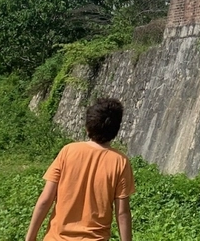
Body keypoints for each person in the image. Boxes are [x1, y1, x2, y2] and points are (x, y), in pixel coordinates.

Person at [25, 98, 135, 241]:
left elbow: (46, 199)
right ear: (116, 130)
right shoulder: (120, 162)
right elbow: (122, 213)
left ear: (87, 127)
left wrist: (30, 237)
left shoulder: (68, 151)